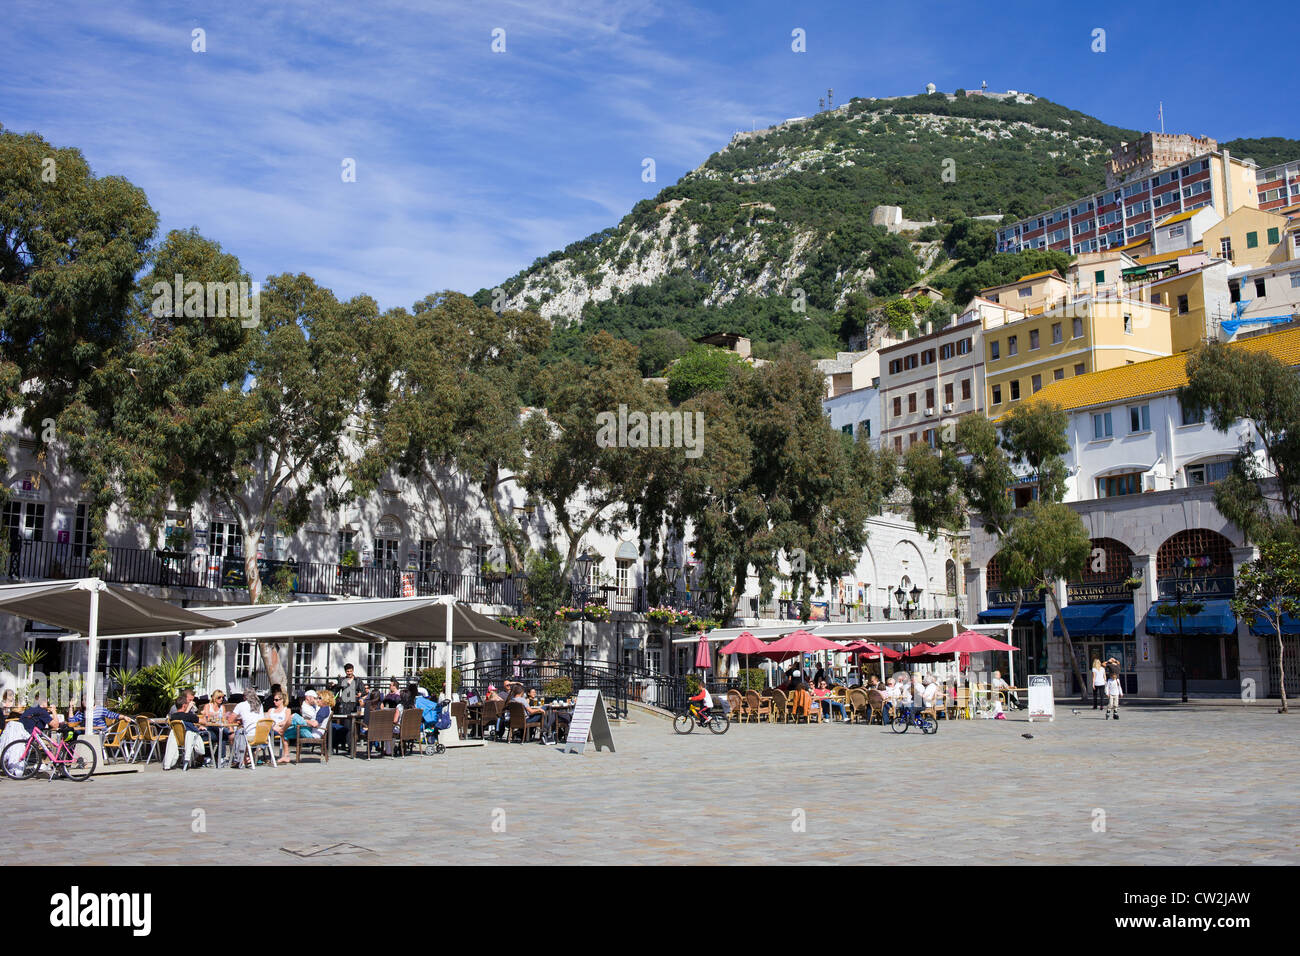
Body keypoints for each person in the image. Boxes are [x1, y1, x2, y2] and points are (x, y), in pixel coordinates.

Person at [230, 689, 264, 768]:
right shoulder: (259, 704)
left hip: (250, 736)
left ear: (245, 697)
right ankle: (246, 758)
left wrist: (239, 720)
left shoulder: (241, 705)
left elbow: (230, 719)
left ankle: (241, 759)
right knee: (243, 733)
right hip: (262, 736)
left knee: (234, 735)